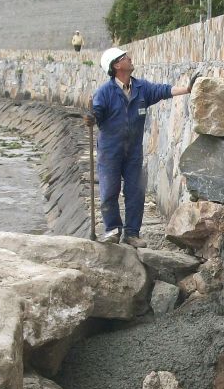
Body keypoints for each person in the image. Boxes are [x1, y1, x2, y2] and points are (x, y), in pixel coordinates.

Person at [84, 47, 198, 247]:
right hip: (110, 151)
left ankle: (131, 233)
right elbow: (97, 113)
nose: (129, 58)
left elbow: (163, 90)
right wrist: (91, 117)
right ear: (117, 65)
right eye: (125, 57)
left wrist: (187, 89)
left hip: (133, 152)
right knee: (109, 191)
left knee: (135, 191)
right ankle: (112, 229)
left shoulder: (141, 88)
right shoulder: (105, 92)